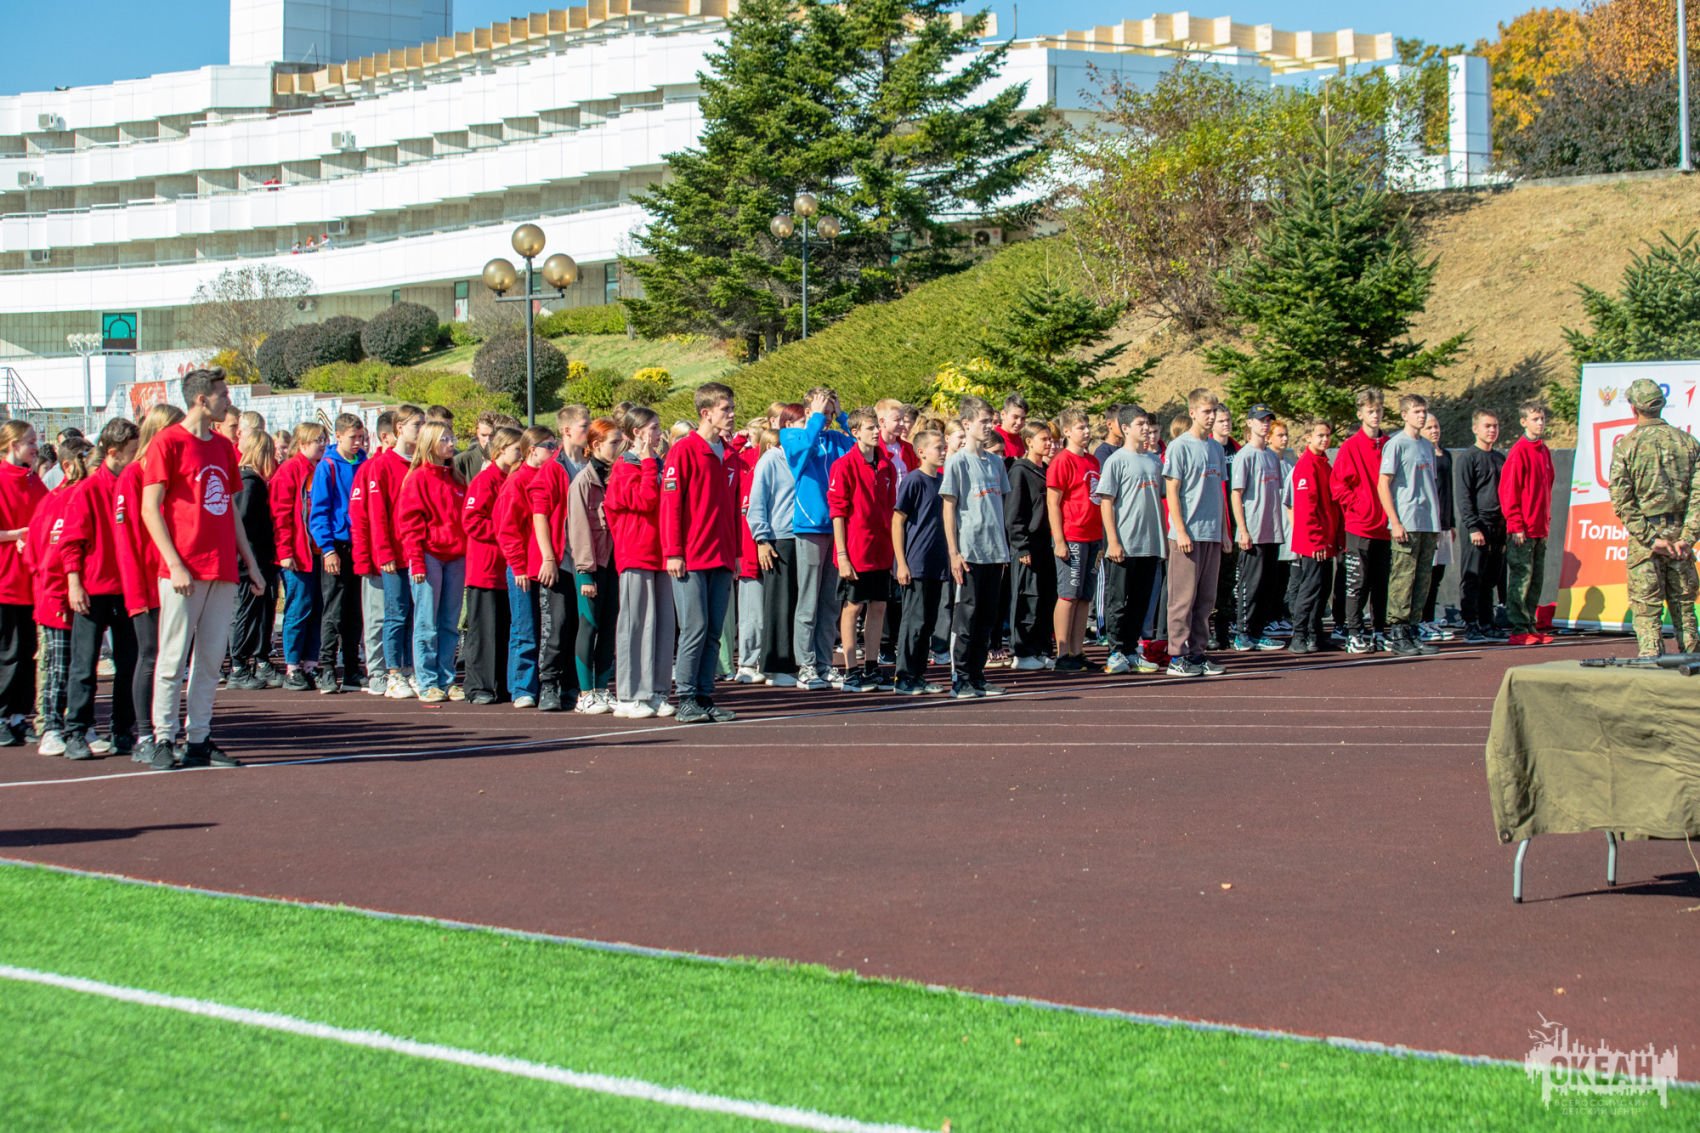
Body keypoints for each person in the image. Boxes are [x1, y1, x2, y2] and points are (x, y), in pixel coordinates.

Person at [139, 367, 267, 770]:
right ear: (201, 399)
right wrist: (174, 562)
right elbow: (149, 508)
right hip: (184, 570)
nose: (228, 400)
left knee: (210, 660)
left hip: (222, 568)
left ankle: (199, 738)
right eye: (222, 394)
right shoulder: (167, 442)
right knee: (173, 658)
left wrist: (250, 563)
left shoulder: (223, 448)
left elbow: (229, 510)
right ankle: (163, 738)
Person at [60, 418, 141, 760]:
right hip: (94, 588)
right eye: (132, 450)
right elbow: (71, 542)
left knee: (128, 663)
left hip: (127, 588)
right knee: (84, 665)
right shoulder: (88, 490)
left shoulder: (134, 484)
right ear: (113, 452)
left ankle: (122, 729)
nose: (137, 455)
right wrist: (74, 582)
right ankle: (76, 730)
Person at [661, 382, 741, 724]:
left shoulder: (729, 454)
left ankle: (705, 696)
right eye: (726, 409)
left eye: (732, 408)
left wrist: (736, 553)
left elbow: (733, 509)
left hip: (722, 555)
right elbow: (670, 504)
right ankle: (686, 697)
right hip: (691, 556)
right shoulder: (684, 451)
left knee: (713, 632)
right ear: (706, 413)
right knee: (695, 627)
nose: (732, 414)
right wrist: (673, 551)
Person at [1608, 377, 1700, 656]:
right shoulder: (1688, 443)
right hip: (1680, 538)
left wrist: (1650, 539)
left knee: (1647, 611)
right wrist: (1687, 538)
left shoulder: (1627, 446)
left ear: (1633, 408)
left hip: (1646, 541)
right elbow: (1698, 497)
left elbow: (1622, 500)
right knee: (1685, 609)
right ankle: (1694, 665)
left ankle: (1651, 665)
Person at [114, 405, 184, 761]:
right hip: (146, 584)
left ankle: (164, 730)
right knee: (149, 655)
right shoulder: (133, 474)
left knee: (171, 658)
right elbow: (126, 541)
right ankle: (144, 734)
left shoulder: (172, 471)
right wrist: (137, 593)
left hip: (172, 581)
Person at [782, 387, 853, 691]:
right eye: (822, 410)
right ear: (809, 411)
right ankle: (806, 663)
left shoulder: (836, 438)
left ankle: (825, 662)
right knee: (808, 600)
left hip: (836, 527)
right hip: (810, 527)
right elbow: (800, 453)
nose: (826, 417)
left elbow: (862, 449)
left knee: (830, 601)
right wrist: (815, 418)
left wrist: (842, 416)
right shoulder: (792, 435)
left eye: (829, 411)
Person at [940, 396, 1011, 698]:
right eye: (983, 421)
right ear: (967, 424)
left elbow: (1000, 506)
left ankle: (978, 676)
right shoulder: (957, 462)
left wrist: (1004, 546)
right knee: (966, 616)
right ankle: (960, 678)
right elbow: (949, 507)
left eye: (991, 421)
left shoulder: (995, 462)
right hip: (969, 551)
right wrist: (954, 552)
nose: (989, 426)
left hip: (995, 551)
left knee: (986, 617)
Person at [606, 408, 674, 718]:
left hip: (661, 554)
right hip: (636, 553)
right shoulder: (625, 466)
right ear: (637, 432)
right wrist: (648, 464)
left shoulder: (657, 464)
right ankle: (630, 693)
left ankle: (656, 690)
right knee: (636, 625)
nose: (659, 433)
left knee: (662, 626)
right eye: (654, 428)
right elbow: (646, 501)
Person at [26, 438, 92, 757]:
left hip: (85, 597)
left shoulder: (88, 495)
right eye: (84, 459)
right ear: (68, 465)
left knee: (82, 666)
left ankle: (80, 724)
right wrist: (59, 585)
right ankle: (51, 726)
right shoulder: (55, 501)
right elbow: (39, 552)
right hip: (56, 597)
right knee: (58, 666)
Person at [1163, 388, 1232, 677]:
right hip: (1188, 534)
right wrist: (1180, 530)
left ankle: (1197, 653)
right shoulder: (1180, 446)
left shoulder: (1216, 448)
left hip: (1211, 533)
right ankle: (1177, 656)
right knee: (1183, 599)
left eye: (1214, 411)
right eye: (1206, 411)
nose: (1212, 416)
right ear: (1192, 413)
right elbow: (1172, 491)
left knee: (1206, 599)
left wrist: (1224, 531)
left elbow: (1220, 492)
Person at [397, 420, 467, 702]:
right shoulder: (418, 478)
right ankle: (427, 681)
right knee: (427, 622)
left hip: (455, 556)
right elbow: (409, 523)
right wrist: (416, 560)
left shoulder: (456, 478)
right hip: (429, 556)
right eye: (444, 439)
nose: (451, 444)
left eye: (451, 438)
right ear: (430, 444)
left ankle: (446, 679)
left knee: (449, 622)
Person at [828, 407, 898, 692]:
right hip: (856, 549)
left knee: (879, 605)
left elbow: (892, 509)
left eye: (877, 427)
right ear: (855, 432)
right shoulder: (844, 465)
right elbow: (838, 512)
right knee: (853, 606)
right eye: (870, 428)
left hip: (881, 548)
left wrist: (895, 551)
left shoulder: (887, 466)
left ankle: (871, 665)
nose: (876, 432)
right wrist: (842, 554)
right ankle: (851, 669)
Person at [1096, 406, 1165, 675]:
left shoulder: (1154, 461)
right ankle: (1115, 652)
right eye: (1140, 424)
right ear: (1125, 428)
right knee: (1118, 601)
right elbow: (1106, 502)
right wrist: (1113, 541)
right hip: (1124, 544)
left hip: (1150, 544)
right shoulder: (1116, 461)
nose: (1146, 428)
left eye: (1147, 423)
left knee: (1140, 601)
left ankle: (1131, 651)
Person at [495, 427, 558, 709]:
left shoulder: (549, 475)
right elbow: (507, 529)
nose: (553, 451)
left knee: (545, 628)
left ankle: (541, 684)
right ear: (532, 450)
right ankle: (522, 686)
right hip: (523, 567)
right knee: (524, 627)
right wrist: (518, 566)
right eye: (549, 446)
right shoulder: (518, 480)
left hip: (543, 565)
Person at [1376, 394, 1442, 658]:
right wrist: (1395, 521)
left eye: (1424, 411)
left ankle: (1414, 629)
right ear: (1404, 415)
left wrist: (1438, 522)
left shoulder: (1427, 446)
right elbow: (1383, 484)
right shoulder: (1396, 444)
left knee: (1423, 579)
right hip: (1407, 521)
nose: (1421, 416)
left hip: (1428, 522)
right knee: (1403, 578)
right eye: (1416, 411)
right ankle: (1398, 632)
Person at [461, 425, 523, 705]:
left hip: (507, 568)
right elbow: (472, 520)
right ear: (500, 450)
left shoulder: (513, 479)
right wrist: (505, 532)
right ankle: (478, 686)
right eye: (516, 449)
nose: (521, 454)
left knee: (504, 629)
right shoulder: (485, 480)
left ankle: (501, 683)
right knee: (484, 631)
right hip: (486, 569)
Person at [568, 419, 625, 713]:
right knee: (588, 626)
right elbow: (579, 530)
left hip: (615, 562)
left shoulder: (618, 476)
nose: (620, 447)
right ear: (595, 445)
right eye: (614, 442)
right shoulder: (583, 482)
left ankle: (602, 688)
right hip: (591, 565)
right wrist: (585, 572)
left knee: (608, 626)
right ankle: (585, 693)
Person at [307, 413, 367, 693]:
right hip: (337, 544)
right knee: (334, 608)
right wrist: (328, 548)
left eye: (361, 437)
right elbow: (319, 512)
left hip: (359, 544)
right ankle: (328, 667)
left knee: (355, 609)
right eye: (353, 437)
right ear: (339, 436)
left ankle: (352, 668)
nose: (358, 443)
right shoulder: (328, 466)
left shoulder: (363, 463)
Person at [746, 403, 803, 687]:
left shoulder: (806, 456)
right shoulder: (770, 459)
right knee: (779, 603)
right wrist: (762, 539)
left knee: (799, 603)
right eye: (802, 422)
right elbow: (757, 501)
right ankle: (774, 664)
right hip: (780, 537)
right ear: (788, 426)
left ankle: (795, 661)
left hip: (804, 535)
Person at [527, 413, 581, 713]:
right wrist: (548, 557)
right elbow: (540, 515)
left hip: (584, 559)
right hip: (560, 560)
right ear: (567, 430)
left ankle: (572, 685)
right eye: (583, 426)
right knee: (557, 626)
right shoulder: (553, 468)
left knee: (579, 625)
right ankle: (549, 683)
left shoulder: (588, 465)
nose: (588, 431)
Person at [369, 404, 422, 698]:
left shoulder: (421, 463)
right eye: (416, 425)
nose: (421, 430)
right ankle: (393, 673)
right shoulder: (382, 465)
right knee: (396, 613)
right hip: (395, 554)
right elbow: (377, 514)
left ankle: (411, 669)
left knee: (415, 614)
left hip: (418, 553)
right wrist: (385, 553)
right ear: (399, 428)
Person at [1333, 389, 1392, 654]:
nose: (1375, 415)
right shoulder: (1350, 447)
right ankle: (1354, 633)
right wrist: (1360, 506)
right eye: (1370, 411)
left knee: (1381, 583)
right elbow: (1338, 486)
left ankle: (1379, 631)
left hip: (1385, 527)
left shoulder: (1389, 444)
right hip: (1359, 526)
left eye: (1378, 410)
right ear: (1360, 414)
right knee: (1357, 582)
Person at [892, 428, 949, 695]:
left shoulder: (942, 481)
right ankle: (904, 677)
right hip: (916, 562)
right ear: (922, 451)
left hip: (937, 562)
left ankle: (918, 674)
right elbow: (898, 521)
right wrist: (901, 562)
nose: (943, 451)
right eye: (938, 447)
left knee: (927, 622)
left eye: (944, 446)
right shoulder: (914, 480)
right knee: (913, 622)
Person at [1046, 407, 1104, 671]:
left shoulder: (1092, 461)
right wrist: (1059, 540)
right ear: (1067, 431)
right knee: (1068, 594)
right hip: (1073, 535)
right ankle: (1062, 652)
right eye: (1081, 427)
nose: (1087, 431)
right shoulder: (1062, 461)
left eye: (1087, 426)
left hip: (1094, 536)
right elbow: (1053, 502)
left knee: (1084, 596)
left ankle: (1077, 650)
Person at [271, 421, 325, 690]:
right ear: (303, 444)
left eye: (324, 439)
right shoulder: (290, 470)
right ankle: (292, 666)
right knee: (298, 608)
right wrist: (285, 552)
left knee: (317, 608)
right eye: (317, 440)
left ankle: (310, 664)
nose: (323, 445)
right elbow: (280, 515)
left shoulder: (321, 468)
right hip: (298, 553)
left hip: (318, 552)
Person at [1228, 405, 1287, 652]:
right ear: (1250, 423)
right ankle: (1243, 633)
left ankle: (1258, 631)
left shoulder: (1272, 456)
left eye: (1268, 420)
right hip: (1253, 531)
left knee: (1267, 585)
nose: (1265, 424)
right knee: (1250, 584)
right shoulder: (1245, 455)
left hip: (1271, 530)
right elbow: (1236, 494)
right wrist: (1243, 529)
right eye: (1261, 420)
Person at [1285, 419, 1344, 654]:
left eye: (1327, 435)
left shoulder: (1324, 465)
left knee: (1322, 589)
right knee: (1309, 589)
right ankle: (1298, 635)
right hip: (1313, 543)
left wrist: (1335, 539)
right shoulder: (1306, 466)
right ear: (1308, 437)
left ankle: (1315, 634)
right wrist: (1316, 541)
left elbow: (1332, 506)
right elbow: (1306, 508)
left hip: (1326, 541)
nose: (1325, 439)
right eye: (1320, 435)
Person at [228, 429, 280, 690]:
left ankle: (255, 660)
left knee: (259, 612)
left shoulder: (251, 481)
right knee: (246, 612)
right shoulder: (249, 483)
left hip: (256, 557)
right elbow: (243, 522)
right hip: (250, 559)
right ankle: (238, 666)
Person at [1500, 400, 1556, 645]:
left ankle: (1531, 625)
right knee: (1521, 578)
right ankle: (1519, 628)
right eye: (1535, 419)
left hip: (1540, 528)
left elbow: (1548, 486)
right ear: (1523, 422)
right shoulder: (1519, 451)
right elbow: (1509, 491)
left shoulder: (1544, 451)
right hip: (1523, 529)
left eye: (1542, 418)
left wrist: (1545, 521)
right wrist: (1516, 525)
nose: (1540, 423)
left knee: (1535, 580)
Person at [1005, 422, 1055, 669]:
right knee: (1027, 597)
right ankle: (1022, 652)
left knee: (1045, 598)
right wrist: (1021, 545)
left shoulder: (1046, 469)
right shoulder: (1019, 471)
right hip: (1028, 544)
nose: (1049, 443)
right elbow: (1014, 512)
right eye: (1044, 439)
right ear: (1029, 441)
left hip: (1047, 543)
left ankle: (1041, 648)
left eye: (1050, 439)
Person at [1456, 410, 1508, 644]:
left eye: (1495, 426)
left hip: (1498, 527)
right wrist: (1472, 526)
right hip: (1478, 526)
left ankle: (1487, 623)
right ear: (1475, 428)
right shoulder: (1468, 458)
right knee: (1473, 577)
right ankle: (1471, 623)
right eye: (1487, 426)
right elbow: (1464, 496)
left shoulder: (1500, 459)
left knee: (1490, 578)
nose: (1492, 430)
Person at [1419, 415, 1456, 642]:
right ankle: (1420, 620)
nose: (1434, 430)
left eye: (1436, 426)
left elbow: (1448, 490)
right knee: (1426, 575)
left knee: (1437, 575)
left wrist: (1451, 523)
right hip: (1427, 524)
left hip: (1444, 524)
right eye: (1429, 427)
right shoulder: (1422, 454)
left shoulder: (1446, 455)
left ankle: (1430, 619)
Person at [992, 394, 1028, 463]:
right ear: (1003, 415)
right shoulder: (993, 439)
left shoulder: (1022, 440)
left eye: (1023, 418)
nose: (1019, 422)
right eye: (1015, 417)